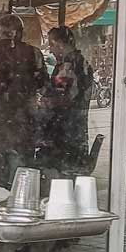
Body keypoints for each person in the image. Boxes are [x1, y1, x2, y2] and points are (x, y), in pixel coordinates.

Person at [0, 13, 48, 182]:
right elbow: (43, 84)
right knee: (21, 172)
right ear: (20, 32)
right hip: (22, 120)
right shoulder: (33, 54)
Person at [38, 26, 93, 171]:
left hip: (65, 132)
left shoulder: (69, 66)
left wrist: (45, 102)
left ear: (59, 44)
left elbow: (65, 98)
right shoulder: (81, 62)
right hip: (74, 131)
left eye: (51, 45)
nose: (50, 50)